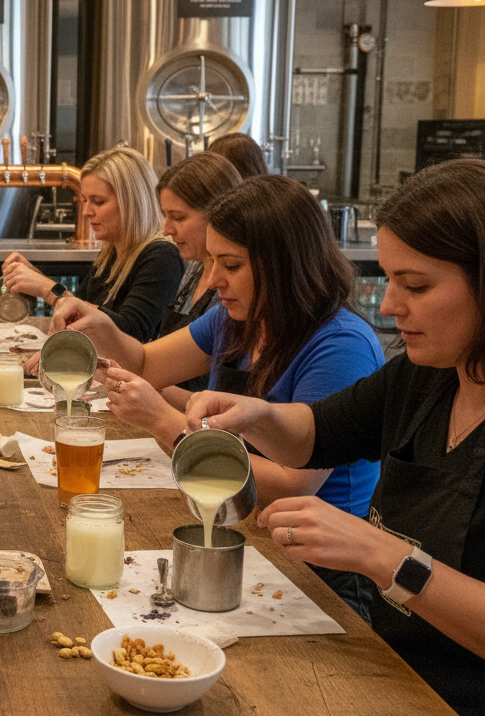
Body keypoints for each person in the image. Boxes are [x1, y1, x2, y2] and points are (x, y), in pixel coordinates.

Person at [185, 160, 485, 715]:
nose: (391, 306)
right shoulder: (426, 376)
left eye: (415, 285)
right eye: (390, 280)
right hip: (387, 668)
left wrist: (382, 554)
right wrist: (256, 415)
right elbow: (320, 434)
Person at [58, 175, 383, 618]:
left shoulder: (340, 346)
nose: (212, 281)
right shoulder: (237, 319)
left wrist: (163, 423)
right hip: (244, 535)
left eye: (230, 265)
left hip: (317, 572)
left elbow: (291, 481)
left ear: (285, 264)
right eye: (211, 262)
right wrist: (102, 327)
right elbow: (149, 364)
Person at [3, 146, 183, 342]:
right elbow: (78, 307)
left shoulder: (162, 256)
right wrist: (35, 278)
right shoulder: (111, 253)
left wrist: (48, 288)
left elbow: (132, 332)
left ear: (132, 202)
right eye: (84, 200)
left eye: (97, 201)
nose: (86, 211)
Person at [152, 151, 242, 397]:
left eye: (178, 217)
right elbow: (148, 362)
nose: (166, 229)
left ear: (219, 213)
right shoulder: (192, 268)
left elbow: (226, 408)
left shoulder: (237, 300)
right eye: (165, 215)